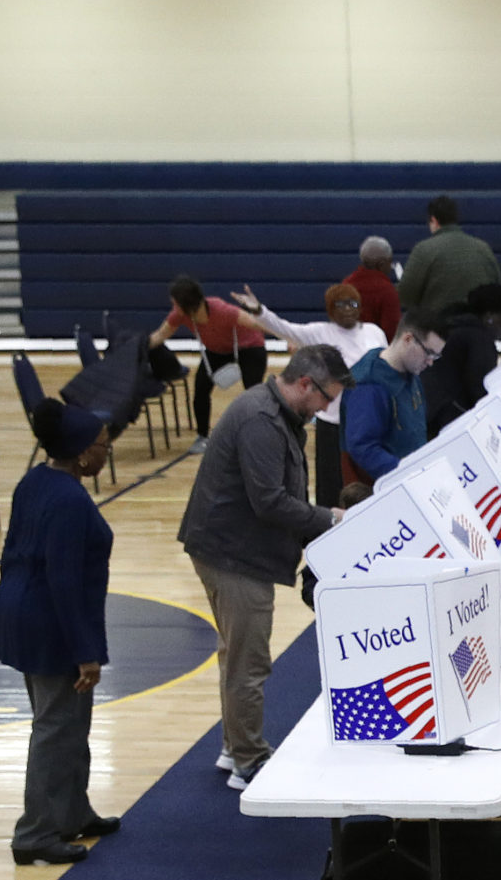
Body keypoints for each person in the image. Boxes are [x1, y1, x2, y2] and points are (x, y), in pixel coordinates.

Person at [177, 344, 350, 789]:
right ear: (306, 385)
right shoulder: (261, 421)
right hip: (234, 556)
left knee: (235, 657)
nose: (328, 408)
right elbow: (270, 502)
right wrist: (328, 518)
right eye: (327, 398)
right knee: (248, 664)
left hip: (229, 548)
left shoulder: (274, 412)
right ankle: (249, 761)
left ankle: (234, 746)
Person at [0, 400, 118, 867]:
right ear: (84, 454)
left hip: (26, 613)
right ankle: (34, 833)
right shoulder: (68, 500)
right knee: (54, 726)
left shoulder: (35, 480)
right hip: (51, 624)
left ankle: (71, 812)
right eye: (105, 446)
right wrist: (85, 652)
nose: (108, 453)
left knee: (71, 722)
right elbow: (63, 579)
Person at [229, 282, 385, 506]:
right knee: (331, 483)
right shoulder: (318, 331)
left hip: (367, 420)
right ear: (331, 309)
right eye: (341, 304)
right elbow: (282, 328)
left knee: (367, 481)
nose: (349, 309)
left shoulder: (374, 332)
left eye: (353, 304)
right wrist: (259, 310)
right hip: (333, 423)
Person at [147, 273, 268, 445]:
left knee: (253, 393)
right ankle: (202, 436)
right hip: (216, 350)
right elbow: (160, 335)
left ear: (187, 304)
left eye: (175, 303)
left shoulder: (222, 310)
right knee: (200, 389)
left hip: (249, 347)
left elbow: (257, 324)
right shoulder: (179, 314)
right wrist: (137, 348)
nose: (173, 306)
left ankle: (260, 435)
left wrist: (288, 337)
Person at [340, 312, 443, 497]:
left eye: (436, 356)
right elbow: (363, 447)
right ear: (408, 339)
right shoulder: (369, 385)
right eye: (429, 353)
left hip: (410, 485)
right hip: (379, 494)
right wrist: (406, 473)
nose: (430, 362)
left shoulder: (412, 373)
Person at [397, 196, 501, 325]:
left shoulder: (424, 249)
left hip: (438, 332)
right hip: (478, 330)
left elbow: (405, 295)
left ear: (433, 220)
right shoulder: (483, 248)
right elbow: (498, 291)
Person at [423, 283, 501, 438]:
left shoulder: (451, 324)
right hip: (445, 418)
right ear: (490, 316)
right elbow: (480, 390)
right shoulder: (479, 340)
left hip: (425, 409)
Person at [346, 237, 402, 341]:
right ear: (381, 264)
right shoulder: (387, 292)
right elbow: (391, 332)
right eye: (390, 263)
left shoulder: (346, 285)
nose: (390, 268)